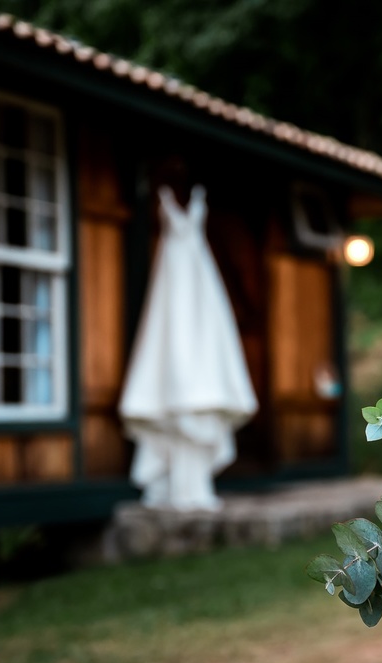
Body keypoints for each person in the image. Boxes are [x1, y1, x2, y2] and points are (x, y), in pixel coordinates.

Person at [118, 160, 258, 510]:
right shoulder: (162, 201)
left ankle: (195, 485)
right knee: (173, 348)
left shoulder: (196, 203)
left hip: (198, 282)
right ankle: (173, 482)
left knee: (201, 351)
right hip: (173, 281)